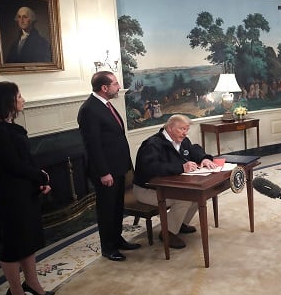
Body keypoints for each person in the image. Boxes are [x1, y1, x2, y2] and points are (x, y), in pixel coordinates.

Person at [0, 82, 55, 295]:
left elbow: (26, 158)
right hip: (10, 195)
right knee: (13, 245)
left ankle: (32, 283)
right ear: (6, 101)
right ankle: (15, 291)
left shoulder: (12, 127)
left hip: (26, 190)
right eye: (19, 96)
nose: (23, 99)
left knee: (28, 240)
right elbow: (12, 165)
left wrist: (41, 179)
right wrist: (39, 177)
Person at [77, 71, 140, 262]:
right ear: (104, 88)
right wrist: (104, 172)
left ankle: (117, 239)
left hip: (118, 167)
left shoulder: (104, 104)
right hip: (106, 171)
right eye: (115, 84)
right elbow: (93, 145)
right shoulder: (89, 109)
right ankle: (108, 247)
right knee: (107, 210)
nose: (119, 86)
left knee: (117, 207)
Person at [133, 114, 218, 249]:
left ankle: (179, 223)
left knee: (197, 194)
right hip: (146, 189)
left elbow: (194, 149)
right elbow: (150, 168)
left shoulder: (182, 140)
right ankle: (168, 233)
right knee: (184, 198)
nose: (185, 133)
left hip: (167, 187)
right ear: (170, 128)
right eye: (182, 129)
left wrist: (204, 158)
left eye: (186, 129)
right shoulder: (152, 144)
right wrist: (181, 167)